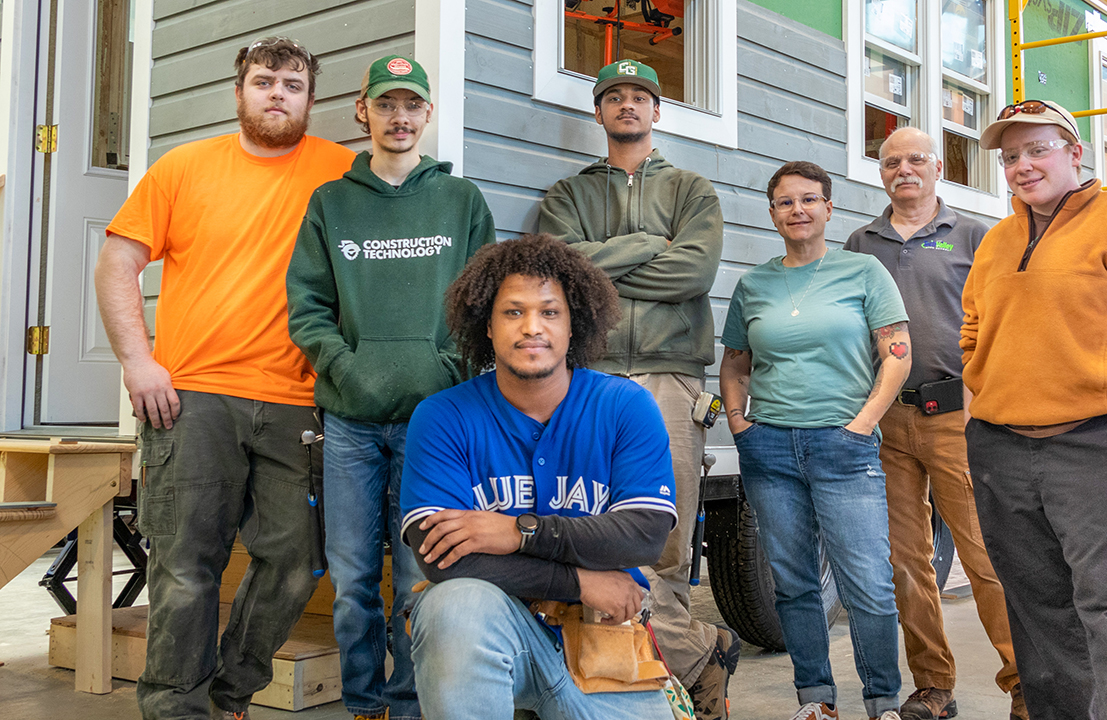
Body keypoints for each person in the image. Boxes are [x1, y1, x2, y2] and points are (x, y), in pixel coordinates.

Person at [95, 37, 355, 720]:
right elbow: (118, 263)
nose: (277, 92)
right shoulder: (182, 168)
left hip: (301, 400)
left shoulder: (343, 174)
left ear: (309, 98)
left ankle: (230, 692)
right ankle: (174, 709)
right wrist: (137, 360)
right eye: (264, 80)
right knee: (186, 567)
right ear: (238, 91)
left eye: (292, 83)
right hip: (193, 398)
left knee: (297, 564)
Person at [961, 100, 1107, 720]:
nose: (1022, 166)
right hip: (1001, 447)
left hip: (1092, 443)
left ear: (1074, 151)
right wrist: (972, 425)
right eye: (1010, 157)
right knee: (1036, 610)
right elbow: (973, 337)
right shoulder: (997, 240)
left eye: (1037, 150)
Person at [286, 55, 495, 720]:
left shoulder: (461, 202)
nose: (398, 117)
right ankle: (363, 705)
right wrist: (343, 366)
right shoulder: (331, 202)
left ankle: (409, 705)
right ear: (363, 111)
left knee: (417, 579)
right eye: (385, 105)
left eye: (411, 105)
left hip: (433, 424)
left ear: (428, 114)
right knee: (351, 582)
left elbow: (486, 305)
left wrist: (446, 368)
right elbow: (307, 306)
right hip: (347, 421)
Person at [396, 234, 678, 719]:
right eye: (513, 312)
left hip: (602, 636)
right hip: (497, 629)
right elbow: (440, 558)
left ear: (574, 325)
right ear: (486, 325)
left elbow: (644, 535)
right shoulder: (442, 415)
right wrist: (580, 579)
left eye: (550, 312)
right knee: (453, 605)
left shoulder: (624, 405)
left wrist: (516, 532)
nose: (532, 328)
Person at [537, 59, 733, 719]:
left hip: (669, 370)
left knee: (665, 528)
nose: (627, 105)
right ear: (598, 112)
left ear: (656, 111)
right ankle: (691, 656)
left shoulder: (691, 189)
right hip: (587, 374)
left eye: (639, 96)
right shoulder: (568, 194)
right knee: (587, 522)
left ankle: (667, 675)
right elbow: (561, 272)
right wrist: (652, 244)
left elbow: (694, 272)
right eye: (613, 96)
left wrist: (603, 261)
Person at [719, 161, 910, 720]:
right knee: (795, 584)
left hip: (843, 446)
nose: (797, 210)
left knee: (869, 583)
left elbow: (896, 356)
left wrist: (862, 423)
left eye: (809, 200)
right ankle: (816, 700)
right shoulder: (754, 284)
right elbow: (735, 363)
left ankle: (882, 702)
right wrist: (739, 423)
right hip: (770, 449)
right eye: (784, 202)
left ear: (829, 209)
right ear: (772, 213)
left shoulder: (864, 271)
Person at [844, 127, 1024, 720]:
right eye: (891, 161)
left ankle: (1025, 684)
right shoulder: (860, 242)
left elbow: (1004, 322)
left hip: (957, 417)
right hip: (886, 422)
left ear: (938, 166)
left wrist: (983, 397)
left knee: (985, 556)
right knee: (906, 561)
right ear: (881, 173)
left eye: (916, 159)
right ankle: (933, 686)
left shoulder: (975, 235)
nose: (904, 170)